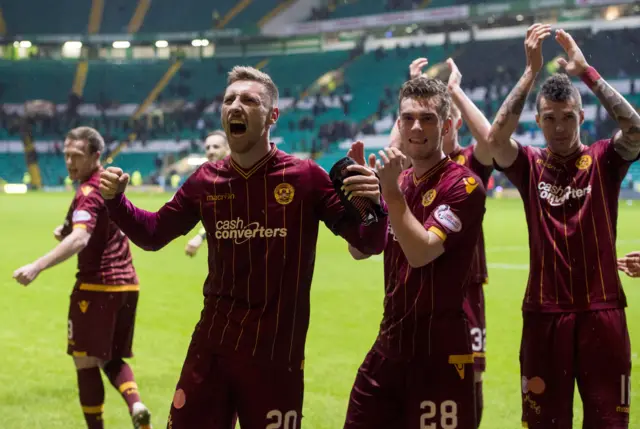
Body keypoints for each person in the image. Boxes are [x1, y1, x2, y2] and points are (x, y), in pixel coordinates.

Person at [99, 66, 388, 429]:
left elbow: (369, 242)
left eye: (249, 100)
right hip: (213, 347)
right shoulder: (205, 181)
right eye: (229, 99)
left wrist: (374, 203)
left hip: (275, 356)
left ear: (272, 116)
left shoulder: (305, 177)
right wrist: (116, 202)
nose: (235, 106)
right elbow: (154, 233)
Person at [487, 24, 640, 428]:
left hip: (602, 311)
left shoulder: (605, 160)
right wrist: (529, 73)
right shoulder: (529, 164)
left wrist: (587, 72)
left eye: (568, 117)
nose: (559, 127)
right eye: (550, 118)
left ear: (582, 115)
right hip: (544, 316)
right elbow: (494, 139)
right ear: (537, 120)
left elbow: (637, 130)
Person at [344, 76, 487, 429]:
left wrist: (389, 194)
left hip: (439, 351)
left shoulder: (464, 184)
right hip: (390, 341)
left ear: (448, 125)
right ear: (397, 124)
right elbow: (359, 249)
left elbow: (421, 252)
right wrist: (364, 202)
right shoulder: (400, 181)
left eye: (427, 119)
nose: (416, 127)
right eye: (408, 118)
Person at [12, 126, 152, 429]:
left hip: (97, 286)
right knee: (111, 357)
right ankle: (136, 405)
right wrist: (65, 230)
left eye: (76, 155)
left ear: (95, 156)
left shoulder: (89, 192)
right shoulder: (106, 186)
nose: (69, 162)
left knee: (85, 360)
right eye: (66, 155)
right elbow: (89, 225)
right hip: (128, 284)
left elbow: (79, 240)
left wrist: (37, 266)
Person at [405, 56, 494, 427]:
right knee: (416, 372)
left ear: (451, 122)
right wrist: (420, 94)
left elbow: (491, 138)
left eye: (439, 118)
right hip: (415, 284)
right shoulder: (412, 165)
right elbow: (405, 133)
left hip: (464, 284)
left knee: (470, 373)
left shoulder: (472, 161)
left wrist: (453, 91)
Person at [185, 130, 231, 257]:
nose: (210, 151)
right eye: (207, 147)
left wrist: (200, 237)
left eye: (216, 147)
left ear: (228, 148)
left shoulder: (237, 176)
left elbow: (228, 216)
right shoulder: (214, 177)